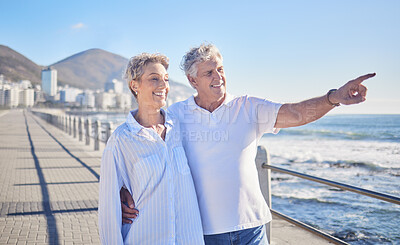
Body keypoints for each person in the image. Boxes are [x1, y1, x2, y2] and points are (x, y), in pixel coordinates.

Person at [120, 44, 375, 244]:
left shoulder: (249, 107)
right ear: (192, 80)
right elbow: (143, 146)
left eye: (220, 69)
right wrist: (124, 188)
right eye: (209, 72)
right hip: (202, 232)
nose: (218, 76)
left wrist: (334, 97)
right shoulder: (175, 115)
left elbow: (297, 113)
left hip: (251, 230)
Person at [98, 53, 204, 244]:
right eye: (154, 79)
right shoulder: (121, 140)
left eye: (166, 79)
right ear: (134, 85)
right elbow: (108, 210)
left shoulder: (182, 127)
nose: (163, 85)